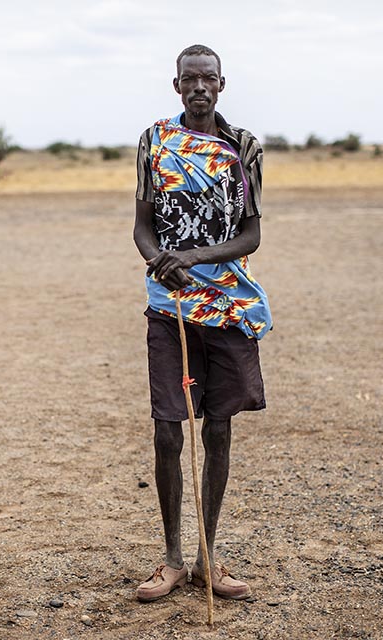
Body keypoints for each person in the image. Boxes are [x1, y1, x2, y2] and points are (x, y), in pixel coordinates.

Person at [132, 44, 272, 603]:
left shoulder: (243, 148)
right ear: (176, 86)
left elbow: (251, 235)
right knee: (169, 429)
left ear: (221, 83)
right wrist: (158, 260)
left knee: (218, 428)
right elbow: (142, 227)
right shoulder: (154, 141)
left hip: (226, 304)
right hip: (169, 306)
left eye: (207, 79)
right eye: (189, 79)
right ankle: (169, 560)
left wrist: (192, 257)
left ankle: (208, 559)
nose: (198, 87)